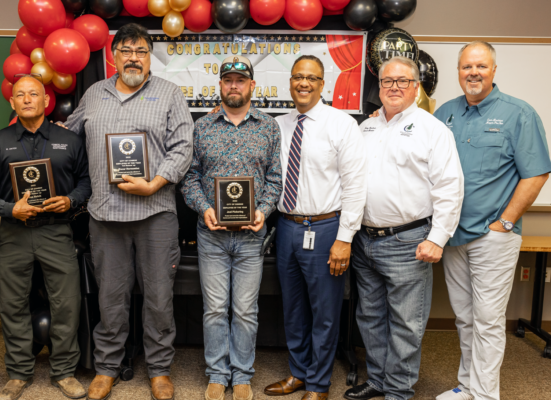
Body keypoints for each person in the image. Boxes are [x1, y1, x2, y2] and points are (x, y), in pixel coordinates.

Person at [62, 23, 194, 400]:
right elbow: (70, 139)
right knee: (111, 297)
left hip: (155, 214)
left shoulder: (169, 94)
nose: (133, 58)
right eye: (126, 51)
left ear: (149, 57)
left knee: (158, 298)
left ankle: (159, 370)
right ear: (113, 56)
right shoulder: (94, 93)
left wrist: (154, 182)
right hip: (105, 215)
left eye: (141, 51)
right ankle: (106, 367)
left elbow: (183, 148)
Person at [433, 41, 551, 400]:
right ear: (458, 71)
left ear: (494, 71)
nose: (474, 73)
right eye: (467, 66)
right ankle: (467, 386)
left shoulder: (519, 113)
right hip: (452, 236)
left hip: (492, 236)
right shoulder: (444, 114)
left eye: (481, 66)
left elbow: (536, 174)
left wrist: (505, 221)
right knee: (466, 319)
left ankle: (485, 395)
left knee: (487, 321)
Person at [344, 56, 464, 400]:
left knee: (406, 323)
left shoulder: (432, 129)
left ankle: (399, 390)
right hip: (365, 239)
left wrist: (437, 238)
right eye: (387, 82)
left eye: (402, 81)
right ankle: (379, 380)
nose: (394, 87)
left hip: (408, 240)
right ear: (378, 88)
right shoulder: (366, 127)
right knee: (370, 317)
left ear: (416, 88)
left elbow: (450, 187)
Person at [0, 75, 91, 400]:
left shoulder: (69, 141)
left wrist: (70, 200)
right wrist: (10, 209)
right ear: (12, 103)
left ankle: (64, 371)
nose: (27, 99)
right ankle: (19, 372)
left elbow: (87, 183)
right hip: (14, 232)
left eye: (33, 94)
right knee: (11, 304)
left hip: (57, 231)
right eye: (20, 95)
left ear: (45, 101)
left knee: (66, 303)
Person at [262, 55, 367, 400]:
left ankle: (319, 384)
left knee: (324, 311)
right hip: (287, 227)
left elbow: (355, 186)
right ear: (289, 83)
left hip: (325, 229)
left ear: (323, 85)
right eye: (297, 77)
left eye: (312, 78)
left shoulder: (342, 124)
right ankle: (299, 374)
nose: (303, 83)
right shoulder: (277, 125)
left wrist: (344, 239)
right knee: (292, 308)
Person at [180, 55, 281, 400]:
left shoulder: (268, 126)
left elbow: (275, 180)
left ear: (252, 86)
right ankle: (217, 373)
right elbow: (190, 177)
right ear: (220, 86)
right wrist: (205, 208)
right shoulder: (202, 127)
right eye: (228, 80)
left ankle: (241, 375)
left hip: (251, 237)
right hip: (211, 236)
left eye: (240, 80)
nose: (234, 86)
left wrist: (264, 211)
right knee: (214, 309)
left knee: (244, 310)